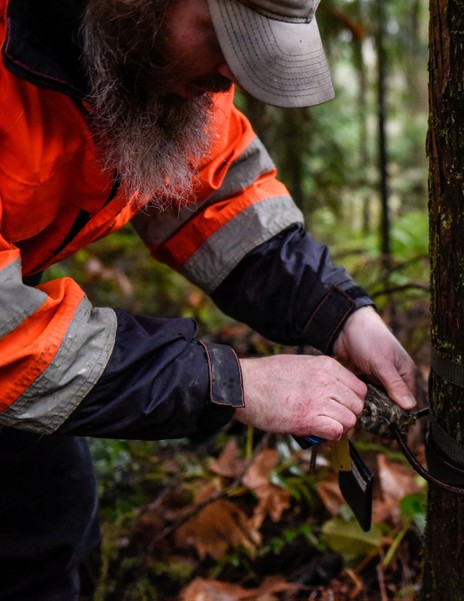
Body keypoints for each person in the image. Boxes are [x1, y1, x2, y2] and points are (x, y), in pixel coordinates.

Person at [0, 0, 418, 598]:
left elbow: (212, 195)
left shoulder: (145, 63)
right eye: (223, 36)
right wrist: (229, 383)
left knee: (52, 517)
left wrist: (341, 312)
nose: (230, 74)